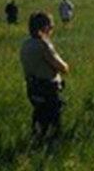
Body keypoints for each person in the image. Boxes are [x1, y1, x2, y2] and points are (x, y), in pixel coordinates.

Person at [20, 11, 70, 140]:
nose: (52, 29)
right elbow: (62, 67)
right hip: (47, 89)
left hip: (32, 87)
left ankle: (36, 143)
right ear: (45, 27)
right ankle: (50, 149)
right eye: (51, 26)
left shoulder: (25, 44)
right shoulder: (44, 45)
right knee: (53, 124)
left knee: (39, 118)